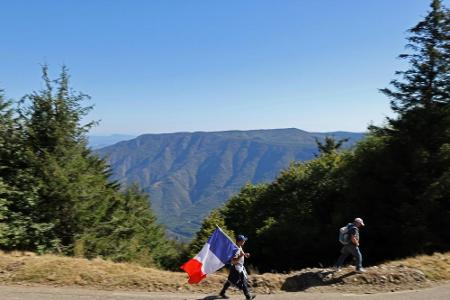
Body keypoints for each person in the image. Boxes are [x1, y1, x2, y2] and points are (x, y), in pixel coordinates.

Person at [219, 234, 256, 299]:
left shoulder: (239, 247)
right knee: (243, 281)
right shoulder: (235, 249)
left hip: (236, 268)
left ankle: (222, 292)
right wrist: (241, 256)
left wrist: (244, 255)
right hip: (237, 268)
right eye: (243, 240)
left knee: (230, 281)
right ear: (239, 241)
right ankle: (248, 296)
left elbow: (240, 255)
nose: (244, 241)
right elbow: (233, 261)